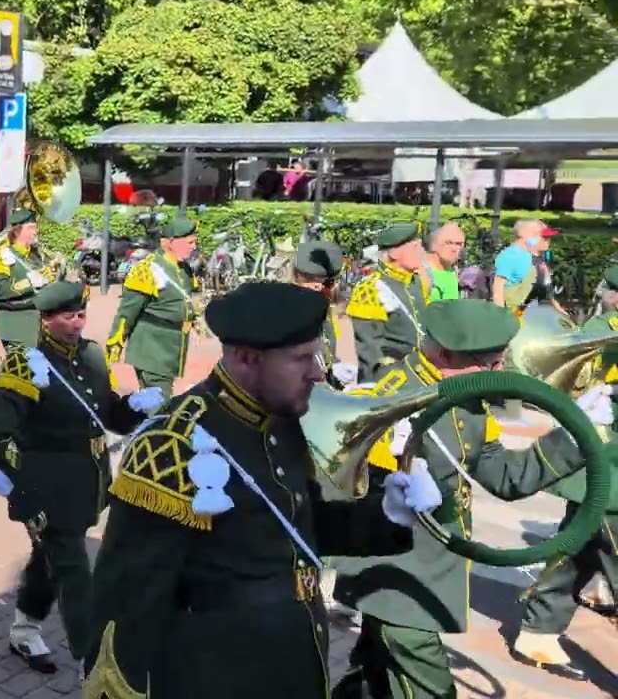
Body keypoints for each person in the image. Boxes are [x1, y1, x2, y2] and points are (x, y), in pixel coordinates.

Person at [83, 281, 422, 699]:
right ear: (246, 358)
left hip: (294, 666)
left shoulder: (281, 418)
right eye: (301, 358)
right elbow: (126, 602)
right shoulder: (173, 443)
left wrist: (386, 514)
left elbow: (301, 527)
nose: (317, 371)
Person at [331, 299, 611, 699]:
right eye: (490, 364)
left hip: (430, 569)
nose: (499, 373)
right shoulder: (397, 397)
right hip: (396, 574)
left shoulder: (463, 390)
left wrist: (572, 436)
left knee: (374, 676)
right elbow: (355, 497)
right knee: (430, 687)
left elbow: (504, 476)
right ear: (445, 353)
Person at [0, 281, 159, 676]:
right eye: (67, 317)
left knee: (50, 561)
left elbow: (107, 415)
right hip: (45, 485)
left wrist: (134, 407)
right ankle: (92, 661)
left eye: (80, 315)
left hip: (87, 480)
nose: (77, 324)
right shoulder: (26, 363)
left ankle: (24, 630)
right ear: (45, 320)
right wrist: (14, 481)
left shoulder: (92, 355)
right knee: (76, 570)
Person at [508, 268, 618, 680]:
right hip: (608, 467)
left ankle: (538, 631)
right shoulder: (601, 332)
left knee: (576, 550)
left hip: (601, 471)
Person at [104, 217, 199, 397]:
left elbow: (181, 301)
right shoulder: (147, 269)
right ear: (171, 242)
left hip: (171, 349)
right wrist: (115, 342)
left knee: (154, 403)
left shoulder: (185, 269)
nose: (193, 246)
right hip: (151, 348)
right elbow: (127, 310)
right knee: (159, 404)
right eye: (189, 242)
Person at [347, 222, 428, 382]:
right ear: (395, 254)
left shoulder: (416, 282)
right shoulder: (371, 288)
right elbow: (369, 351)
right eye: (415, 247)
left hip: (419, 375)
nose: (422, 252)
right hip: (390, 380)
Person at [0, 209, 64, 349]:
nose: (35, 231)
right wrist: (29, 283)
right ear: (17, 231)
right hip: (15, 325)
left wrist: (58, 272)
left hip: (38, 324)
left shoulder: (36, 253)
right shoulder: (1, 255)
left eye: (35, 227)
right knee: (23, 368)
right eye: (31, 228)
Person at [292, 240, 355, 389]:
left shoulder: (334, 316)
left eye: (327, 284)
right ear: (297, 278)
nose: (319, 288)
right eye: (309, 280)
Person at [491, 219, 544, 309]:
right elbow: (498, 288)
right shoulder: (510, 255)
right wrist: (499, 315)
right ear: (521, 233)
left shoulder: (527, 255)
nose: (539, 237)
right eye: (535, 233)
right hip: (510, 312)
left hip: (523, 312)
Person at [421, 222, 465, 302]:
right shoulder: (421, 271)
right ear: (434, 245)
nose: (454, 249)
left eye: (459, 244)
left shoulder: (454, 271)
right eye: (448, 243)